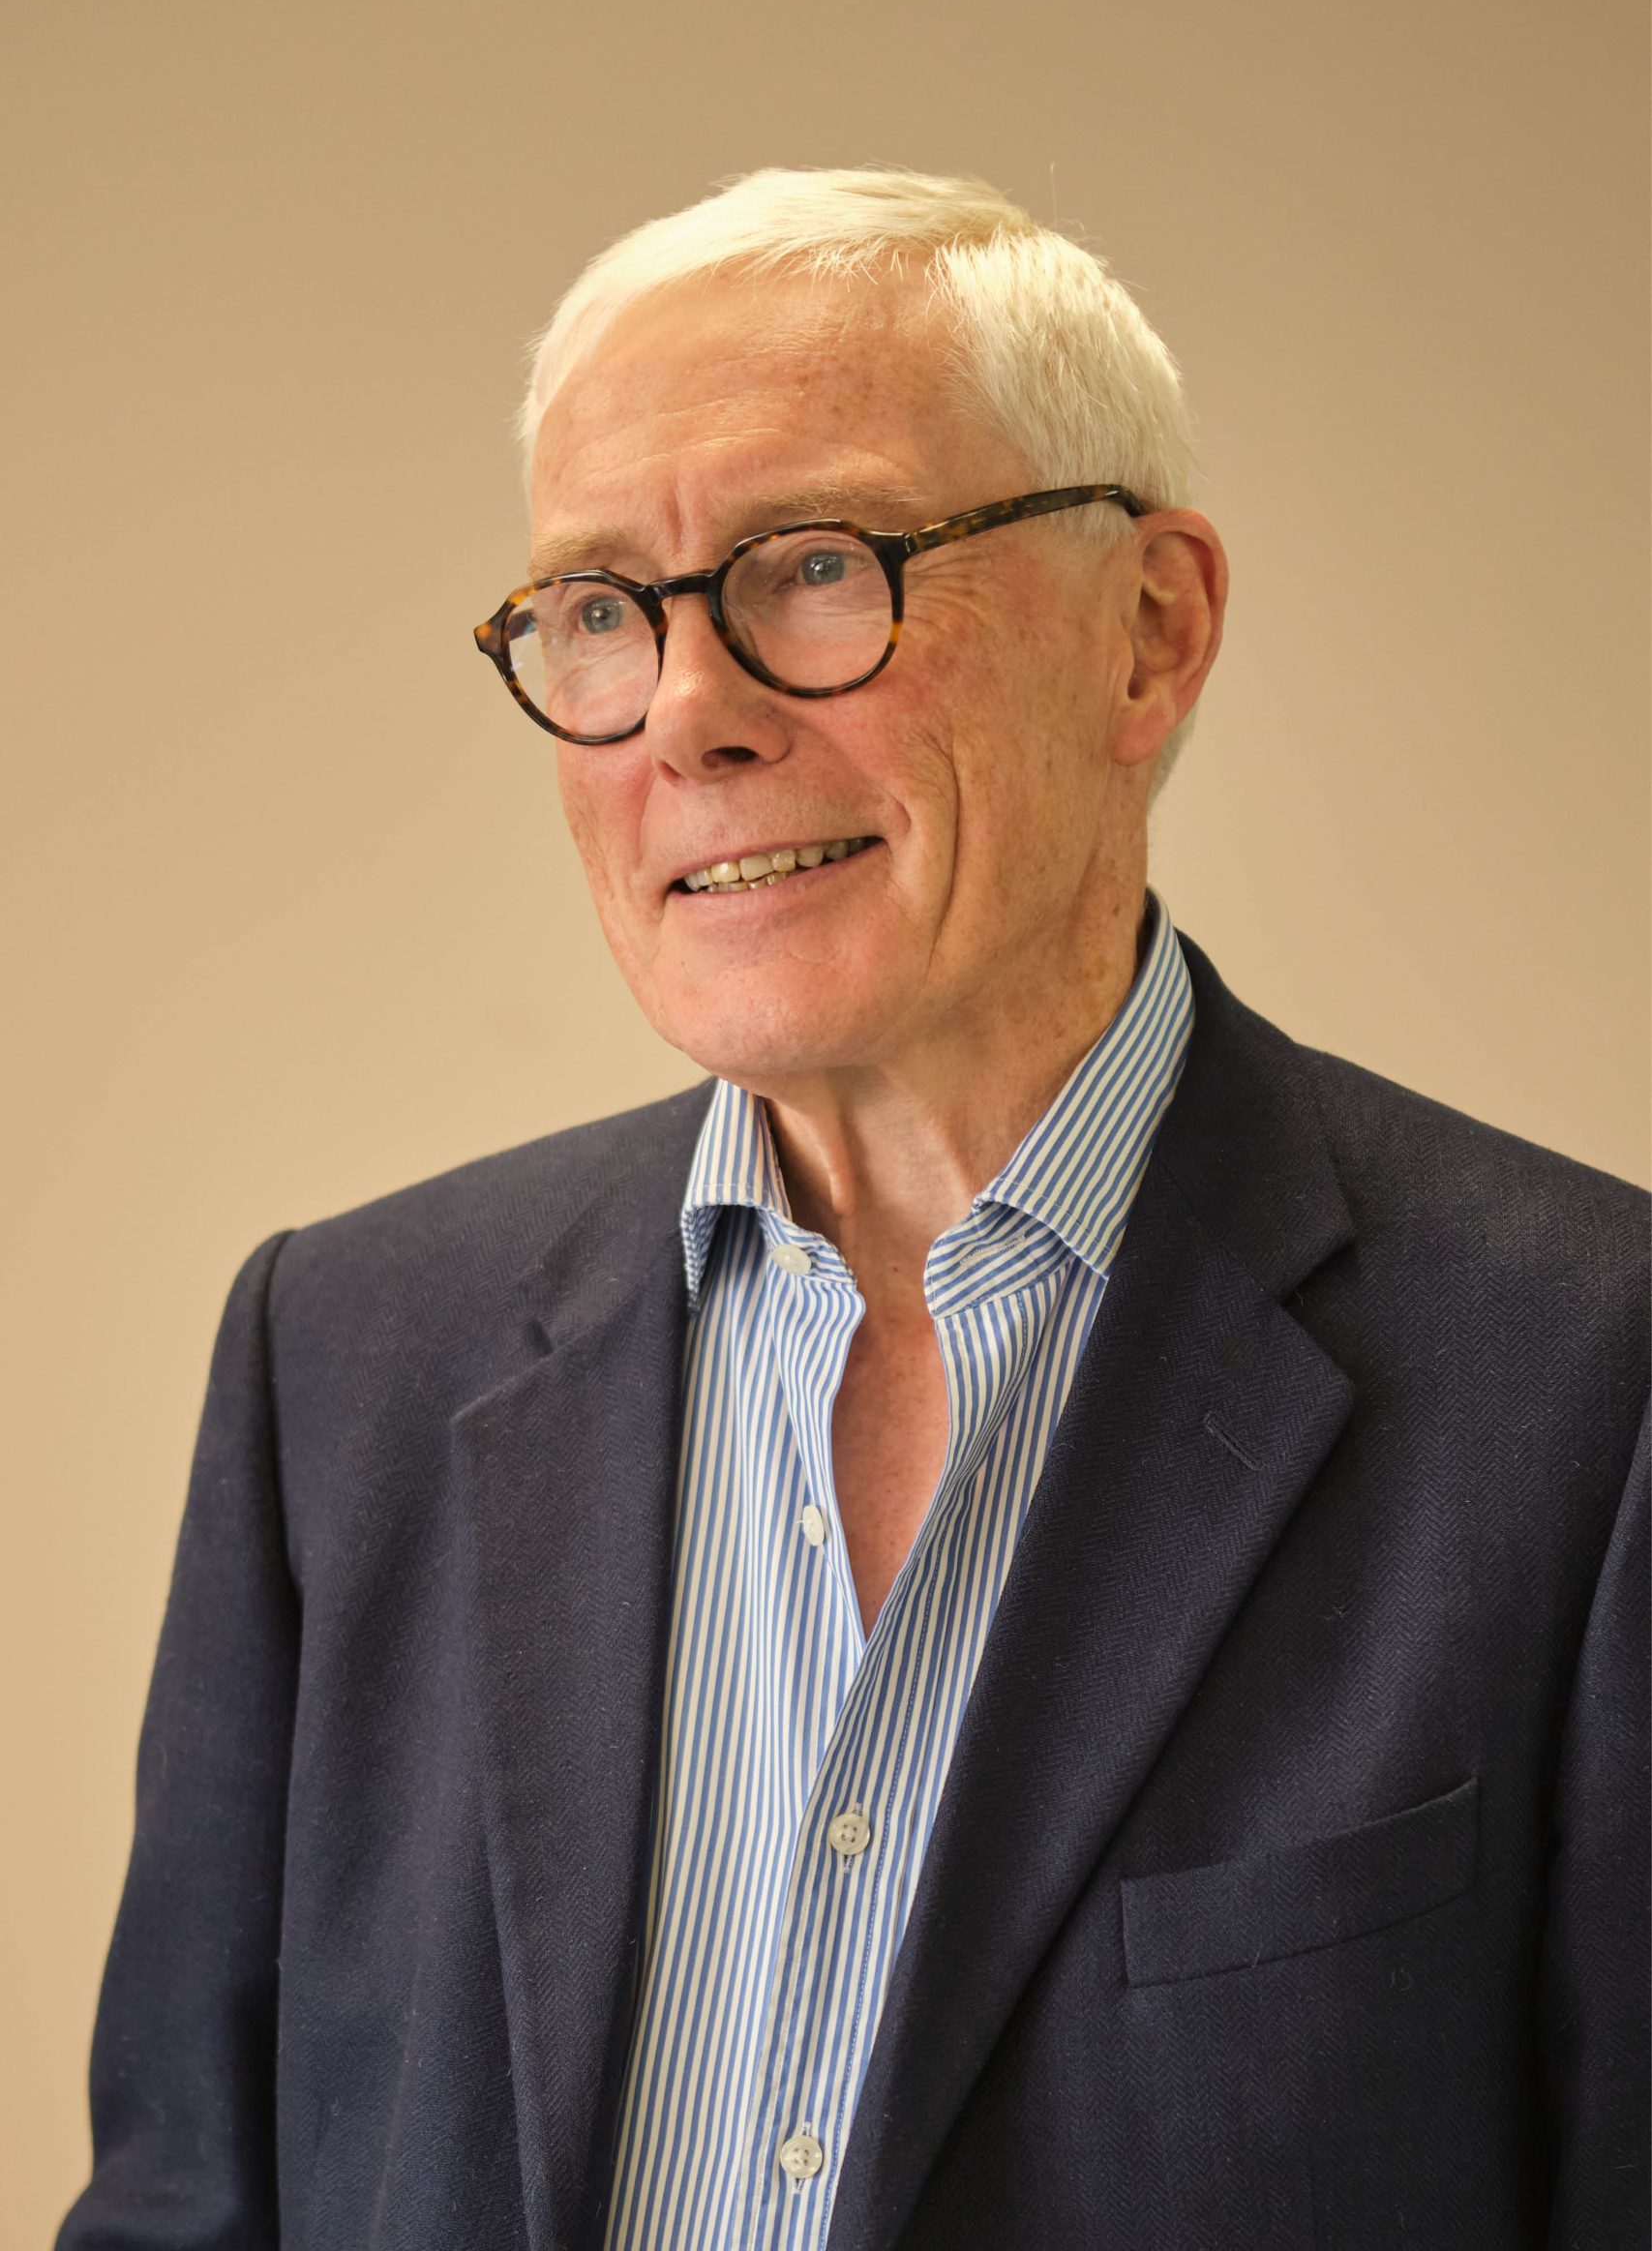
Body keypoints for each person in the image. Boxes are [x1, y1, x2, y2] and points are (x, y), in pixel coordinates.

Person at [60, 168, 1647, 2251]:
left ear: (1150, 631)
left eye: (818, 567)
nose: (687, 713)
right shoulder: (341, 1361)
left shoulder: (1589, 1387)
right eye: (599, 610)